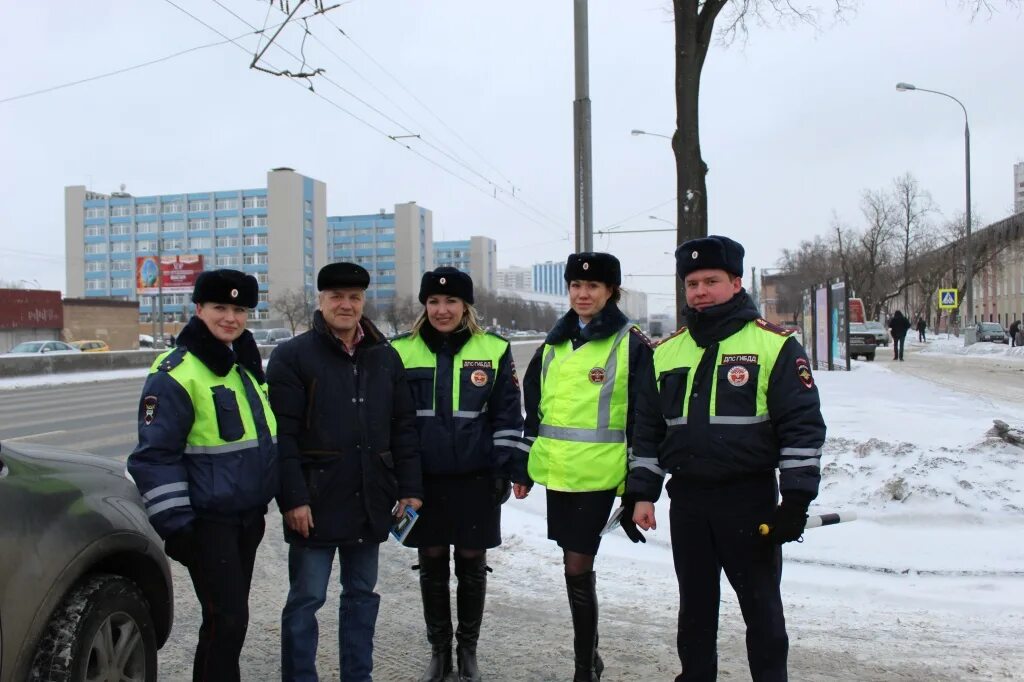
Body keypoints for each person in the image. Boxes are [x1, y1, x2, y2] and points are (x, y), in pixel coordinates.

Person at [626, 236, 826, 682]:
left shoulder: (775, 346)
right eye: (692, 282)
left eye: (711, 281)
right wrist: (641, 493)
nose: (700, 291)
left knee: (762, 611)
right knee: (694, 612)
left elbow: (802, 427)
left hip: (748, 500)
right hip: (690, 505)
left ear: (736, 282)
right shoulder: (667, 352)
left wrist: (795, 503)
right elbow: (648, 431)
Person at [267, 263, 423, 682]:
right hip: (315, 501)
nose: (346, 305)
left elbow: (402, 427)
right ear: (320, 300)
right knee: (306, 599)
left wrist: (409, 488)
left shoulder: (384, 357)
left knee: (361, 596)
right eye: (336, 296)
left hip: (369, 498)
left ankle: (359, 676)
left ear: (363, 301)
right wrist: (294, 499)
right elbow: (283, 437)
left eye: (354, 297)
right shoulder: (292, 356)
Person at [127, 269, 278, 682]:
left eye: (239, 309)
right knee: (225, 622)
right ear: (199, 309)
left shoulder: (243, 365)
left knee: (230, 622)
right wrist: (180, 529)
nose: (230, 317)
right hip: (208, 524)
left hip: (246, 519)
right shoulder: (177, 371)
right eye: (220, 308)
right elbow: (153, 457)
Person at [391, 267, 528, 682]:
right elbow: (396, 423)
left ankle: (467, 650)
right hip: (423, 481)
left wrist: (503, 468)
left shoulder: (495, 349)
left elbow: (508, 416)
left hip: (475, 478)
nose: (441, 309)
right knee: (431, 561)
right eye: (433, 301)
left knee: (471, 561)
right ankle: (440, 652)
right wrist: (402, 480)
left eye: (451, 301)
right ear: (424, 305)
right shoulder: (401, 351)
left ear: (466, 306)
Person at [522, 252, 654, 682]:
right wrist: (523, 467)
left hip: (600, 476)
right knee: (571, 564)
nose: (582, 294)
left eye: (593, 287)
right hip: (559, 474)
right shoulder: (555, 342)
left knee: (578, 566)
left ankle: (585, 668)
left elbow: (644, 419)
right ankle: (590, 657)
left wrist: (639, 489)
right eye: (576, 286)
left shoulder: (629, 343)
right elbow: (535, 408)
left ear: (611, 291)